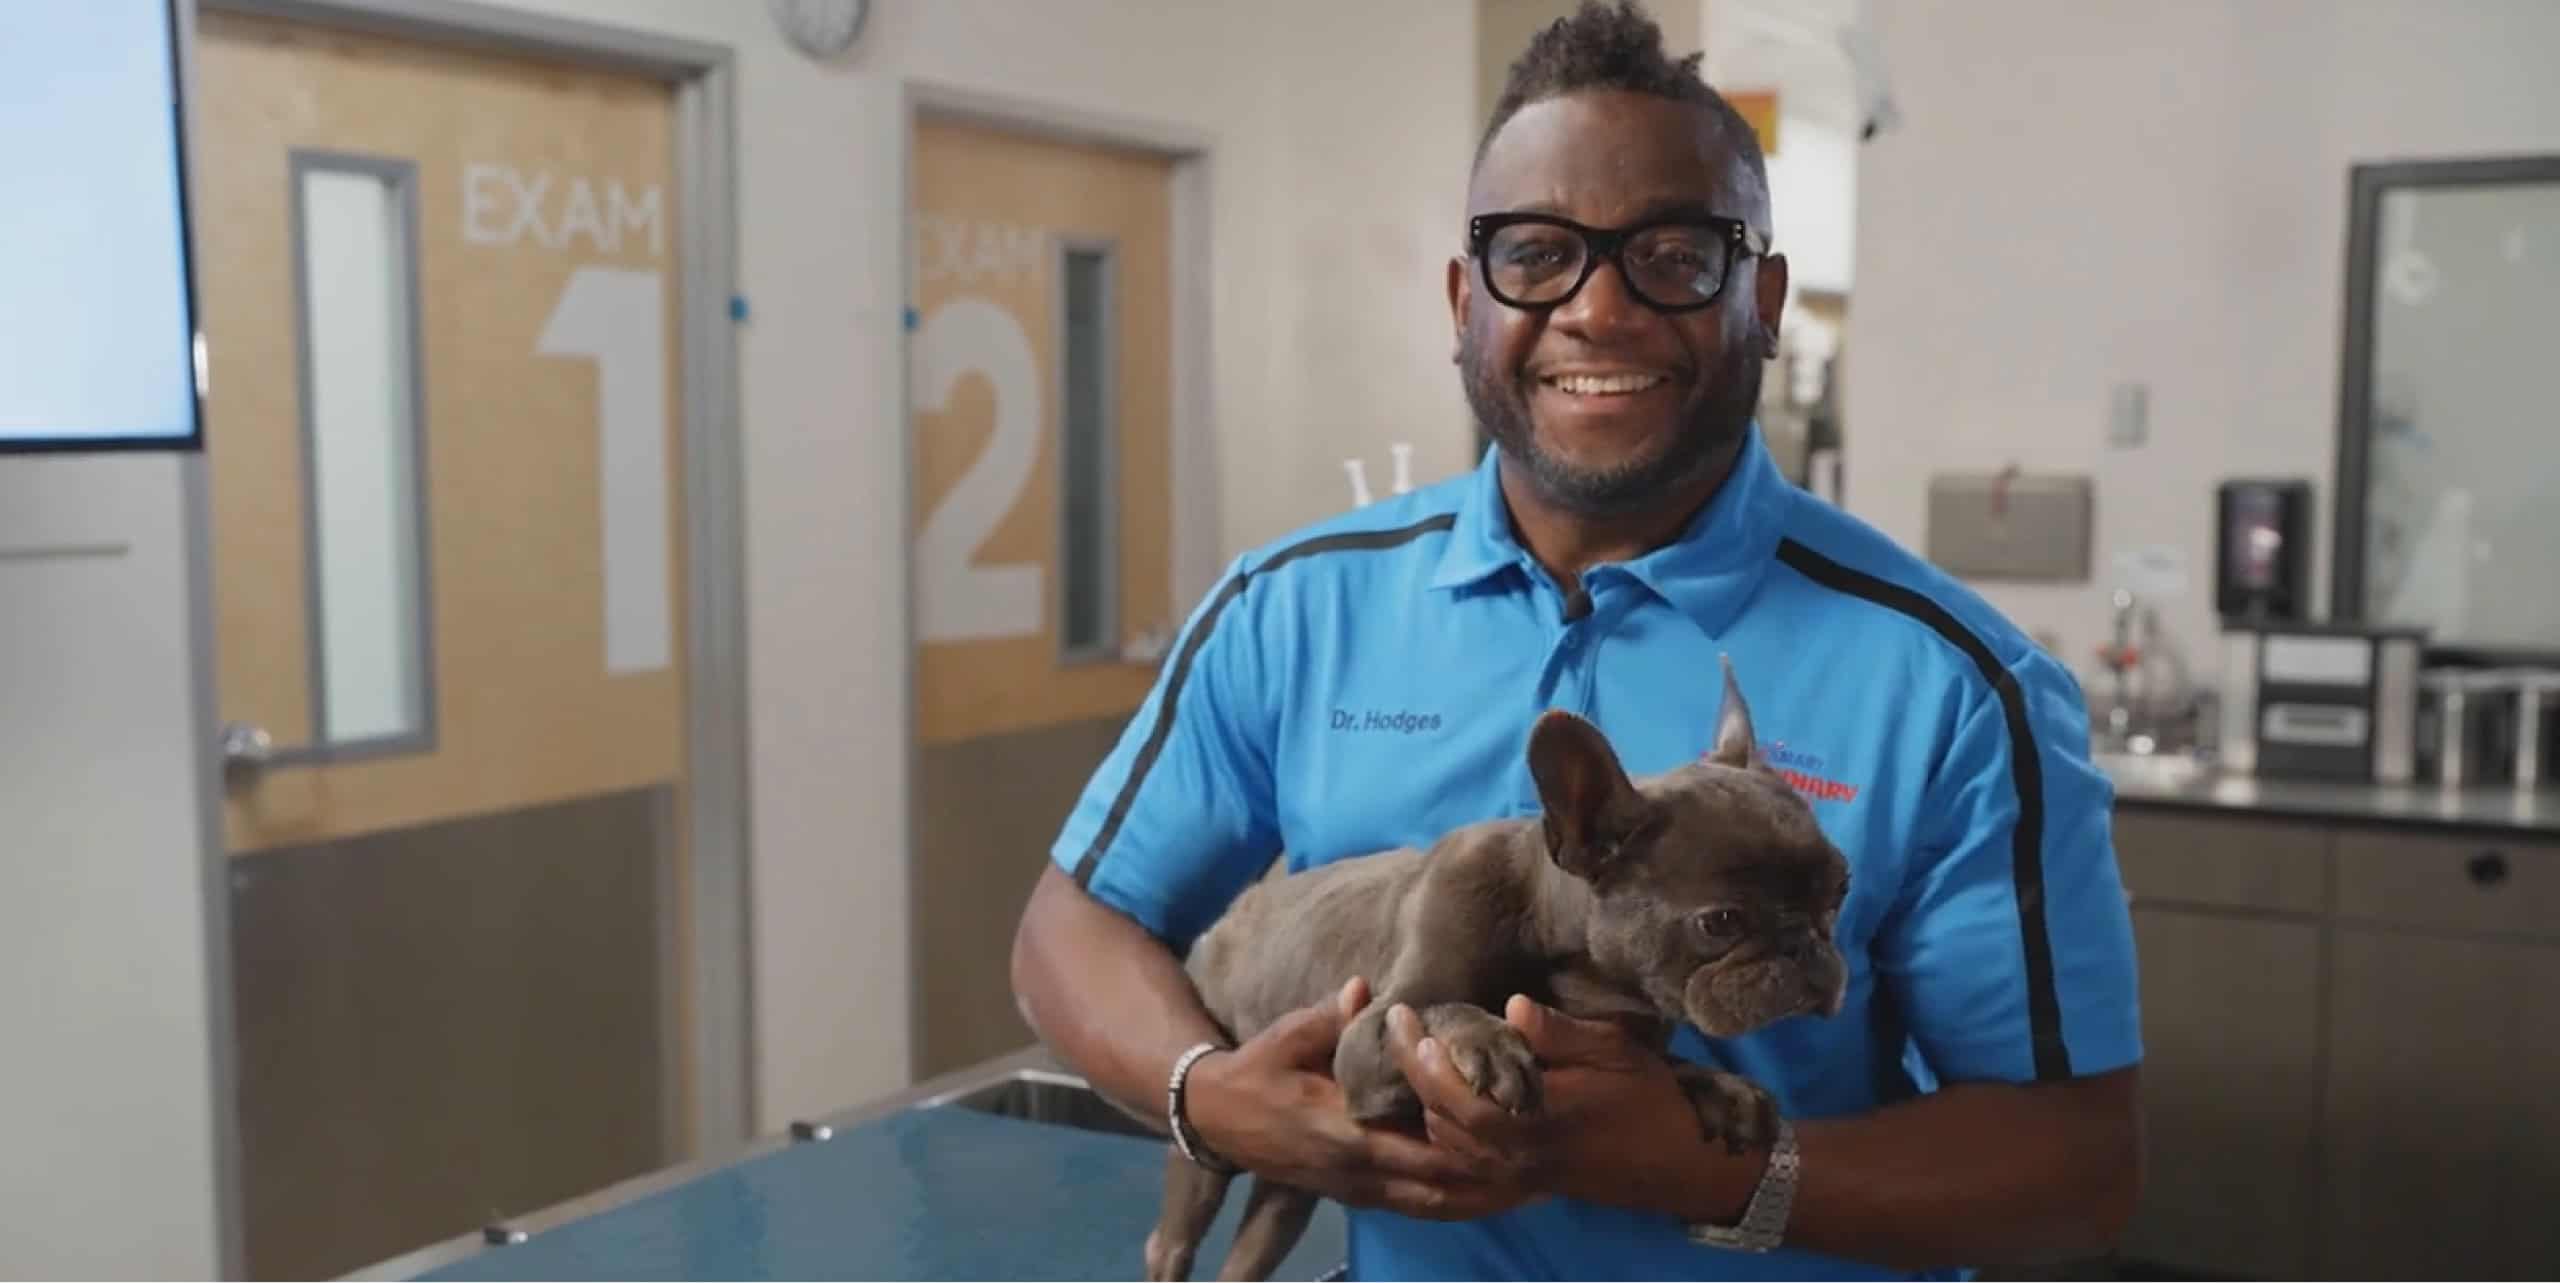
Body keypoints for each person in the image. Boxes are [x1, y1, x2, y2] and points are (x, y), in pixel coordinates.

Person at [1008, 2, 2144, 1277]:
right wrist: (1206, 1096)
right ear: (1463, 299)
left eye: (1672, 254)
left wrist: (1701, 1168)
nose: (1597, 310)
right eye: (1535, 254)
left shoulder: (1955, 685)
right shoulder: (1290, 607)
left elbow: (2077, 1165)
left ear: (1761, 297)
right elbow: (1073, 926)